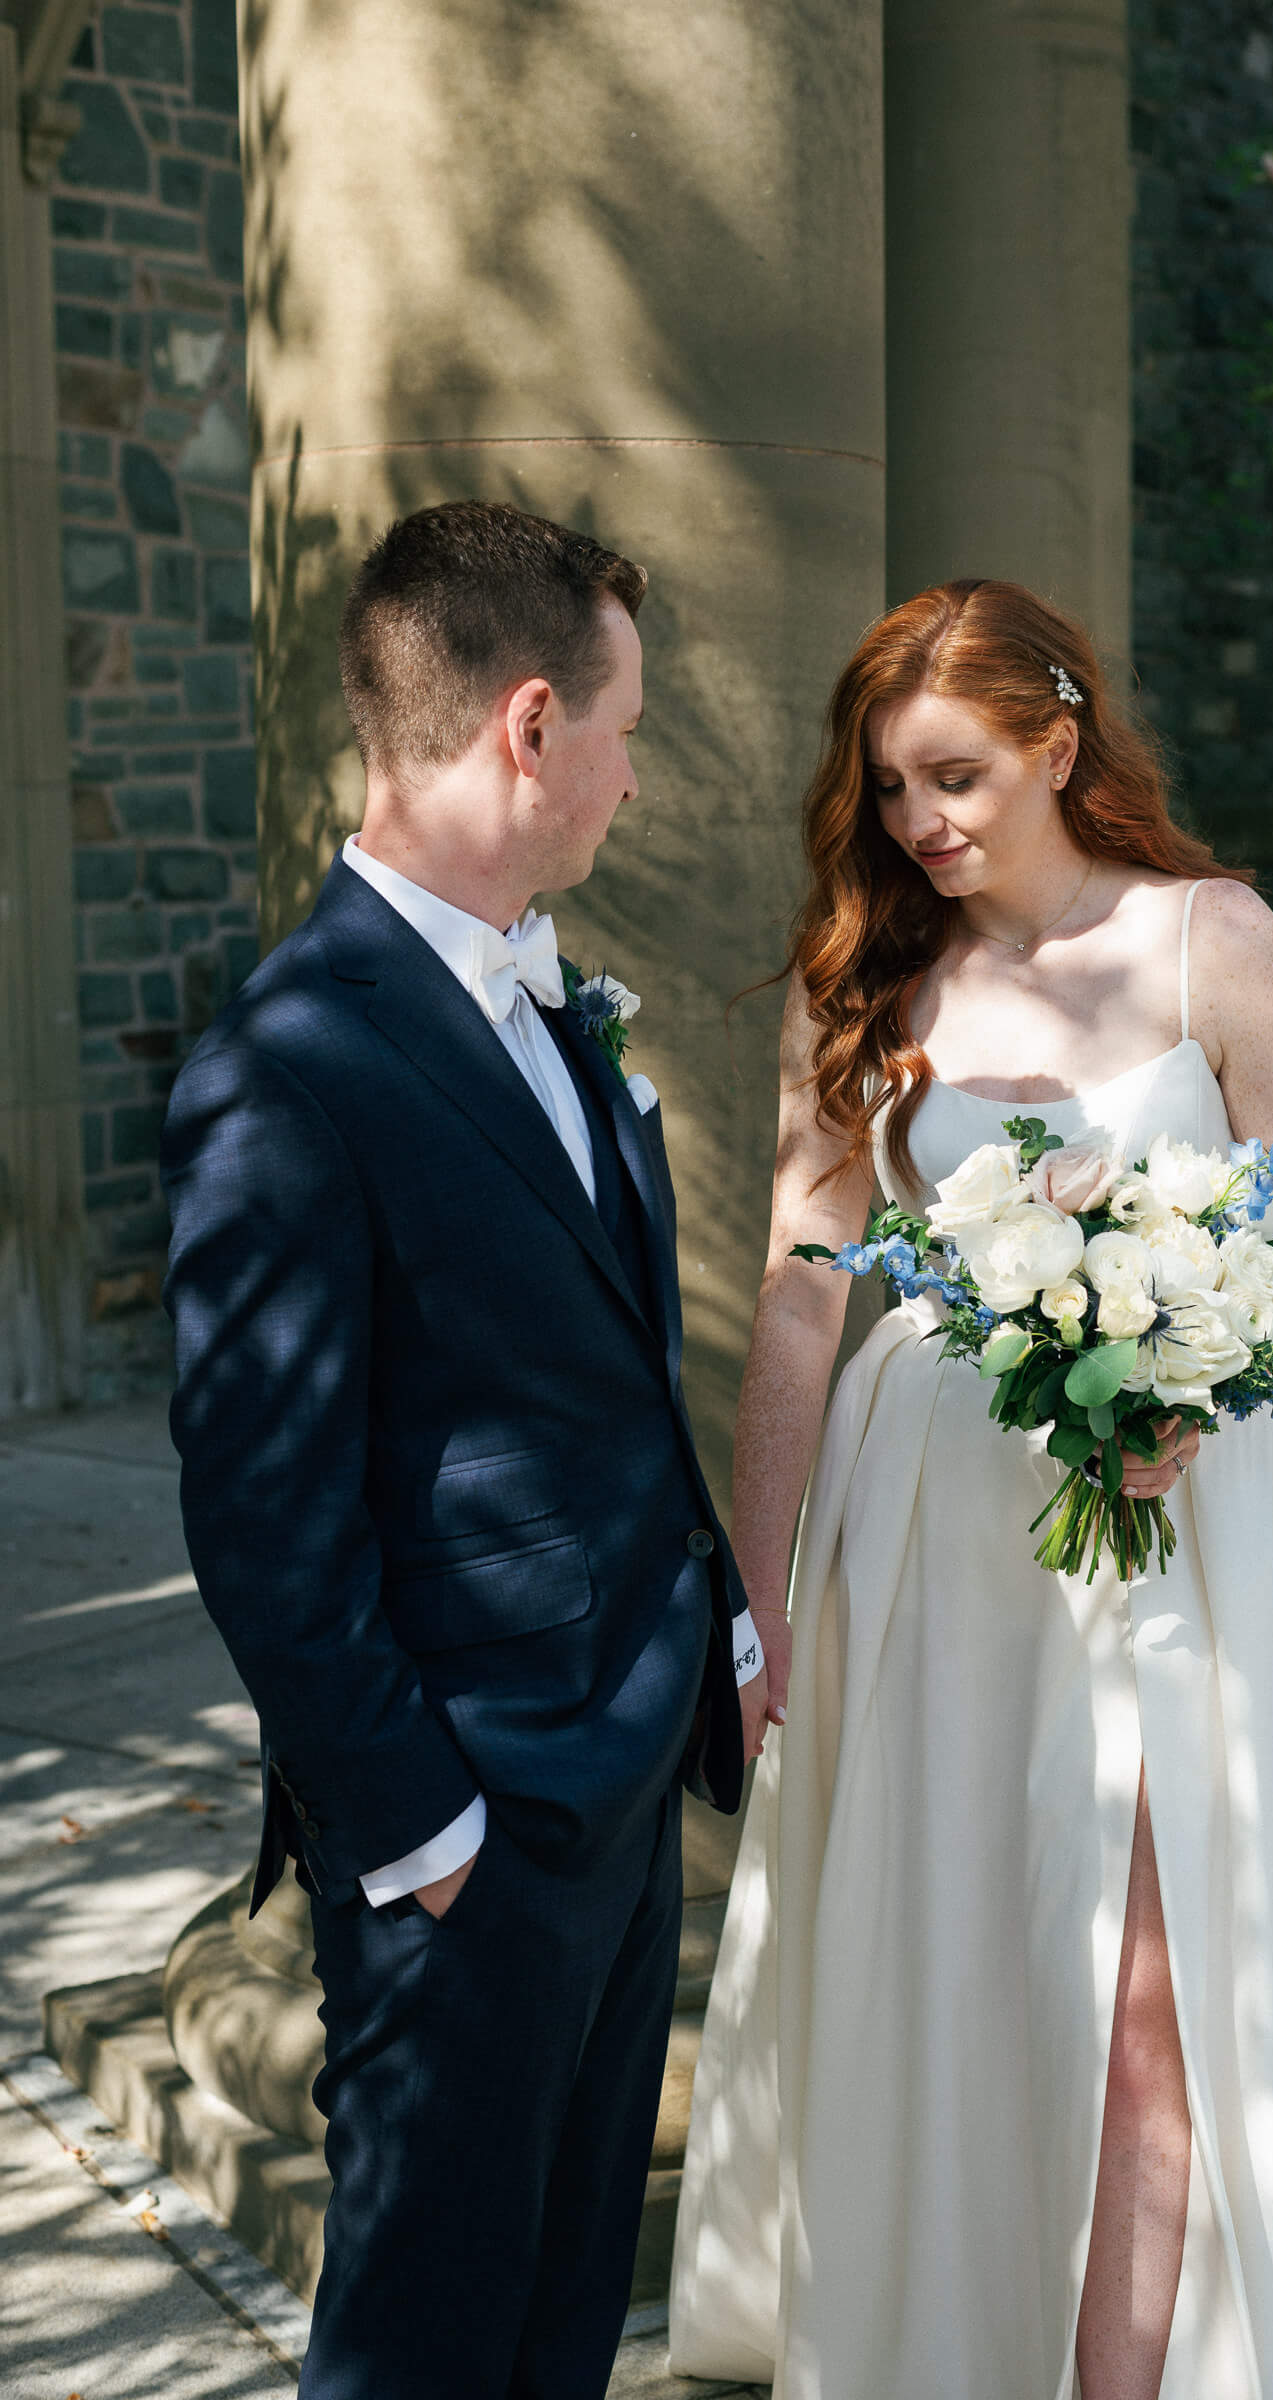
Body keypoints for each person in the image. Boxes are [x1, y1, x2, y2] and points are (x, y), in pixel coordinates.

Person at [669, 579, 1273, 2398]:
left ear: (1058, 744)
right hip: (927, 1531)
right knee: (972, 1949)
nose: (920, 824)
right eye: (890, 792)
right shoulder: (868, 982)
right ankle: (965, 2315)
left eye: (953, 779)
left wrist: (1191, 1371)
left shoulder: (1211, 941)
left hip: (1171, 1528)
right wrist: (759, 1594)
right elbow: (800, 1299)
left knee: (1152, 1978)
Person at [161, 502, 767, 2400]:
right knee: (424, 2341)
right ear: (527, 724)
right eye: (624, 726)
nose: (631, 770)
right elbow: (266, 1513)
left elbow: (595, 1374)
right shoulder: (289, 1061)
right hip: (465, 1824)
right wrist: (421, 1834)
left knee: (561, 2316)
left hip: (614, 1766)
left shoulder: (537, 990)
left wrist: (715, 1617)